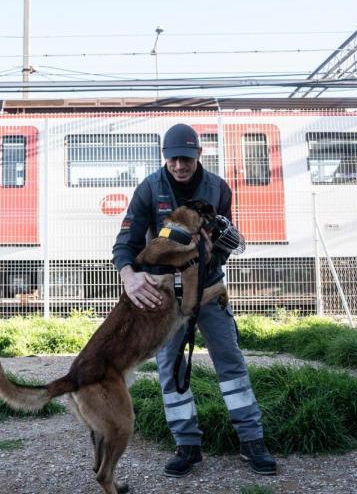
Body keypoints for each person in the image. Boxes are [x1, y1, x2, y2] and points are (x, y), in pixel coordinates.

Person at [111, 123, 277, 477]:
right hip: (166, 296)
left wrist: (215, 249)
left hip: (207, 289)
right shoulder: (148, 189)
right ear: (164, 157)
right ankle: (186, 445)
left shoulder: (218, 188)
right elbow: (125, 242)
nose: (179, 166)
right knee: (171, 368)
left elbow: (227, 241)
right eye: (173, 159)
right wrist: (129, 276)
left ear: (199, 155)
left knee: (231, 363)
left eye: (185, 158)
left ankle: (252, 441)